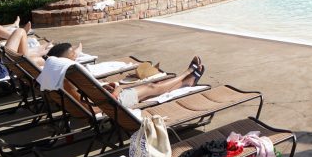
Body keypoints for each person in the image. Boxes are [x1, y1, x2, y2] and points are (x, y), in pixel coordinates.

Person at [43, 42, 204, 109]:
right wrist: (116, 91)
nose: (75, 57)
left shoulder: (59, 76)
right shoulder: (69, 78)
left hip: (103, 100)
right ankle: (187, 73)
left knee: (152, 89)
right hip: (110, 106)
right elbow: (95, 109)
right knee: (152, 86)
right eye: (72, 55)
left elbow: (84, 98)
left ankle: (186, 83)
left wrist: (104, 88)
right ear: (63, 58)